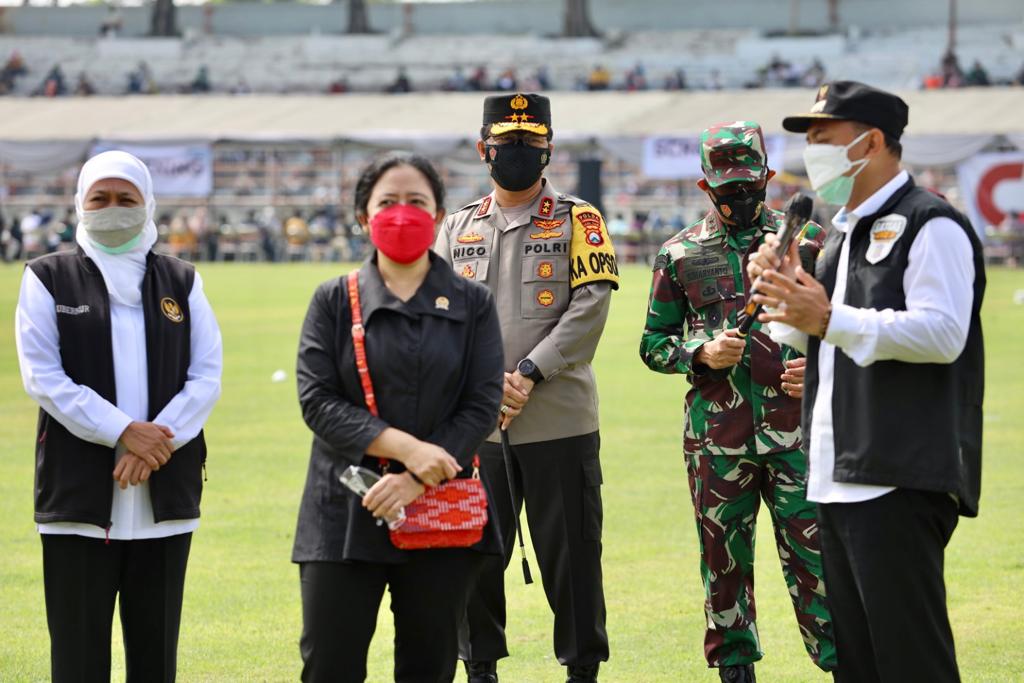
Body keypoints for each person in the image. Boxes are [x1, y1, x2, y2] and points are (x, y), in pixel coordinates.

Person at [748, 80, 985, 683]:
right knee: (859, 663)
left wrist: (828, 317)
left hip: (897, 472)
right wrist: (784, 296)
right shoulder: (842, 233)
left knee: (912, 661)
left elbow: (943, 333)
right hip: (836, 473)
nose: (813, 153)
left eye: (824, 138)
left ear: (872, 142)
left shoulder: (930, 223)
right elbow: (821, 337)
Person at [292, 153, 505, 683]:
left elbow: (481, 404)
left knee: (428, 667)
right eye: (387, 202)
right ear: (362, 217)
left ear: (438, 217)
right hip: (344, 507)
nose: (402, 213)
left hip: (439, 507)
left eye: (416, 202)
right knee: (330, 666)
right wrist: (408, 451)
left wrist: (416, 478)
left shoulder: (473, 303)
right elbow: (317, 400)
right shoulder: (333, 300)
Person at [14, 150, 223, 682]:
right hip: (80, 494)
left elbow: (205, 377)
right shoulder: (48, 278)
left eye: (125, 198)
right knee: (77, 660)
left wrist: (153, 447)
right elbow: (44, 377)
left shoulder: (182, 281)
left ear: (147, 203)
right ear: (79, 205)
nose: (113, 208)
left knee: (155, 659)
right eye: (99, 198)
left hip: (164, 493)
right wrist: (123, 431)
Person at [639, 122, 836, 683]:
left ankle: (843, 665)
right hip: (717, 441)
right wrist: (699, 353)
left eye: (749, 186)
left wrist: (819, 367)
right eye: (728, 190)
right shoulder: (679, 253)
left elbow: (842, 326)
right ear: (706, 186)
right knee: (722, 565)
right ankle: (734, 670)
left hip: (798, 435)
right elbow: (653, 343)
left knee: (819, 565)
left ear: (768, 177)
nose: (740, 197)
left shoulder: (810, 242)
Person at [434, 93, 619, 683]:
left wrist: (529, 373)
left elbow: (590, 307)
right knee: (473, 554)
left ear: (548, 149)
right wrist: (486, 381)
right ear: (482, 149)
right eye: (506, 142)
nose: (517, 151)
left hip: (559, 420)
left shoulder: (579, 219)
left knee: (573, 559)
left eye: (529, 141)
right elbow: (435, 314)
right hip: (477, 426)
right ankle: (480, 668)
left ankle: (582, 670)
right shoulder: (457, 226)